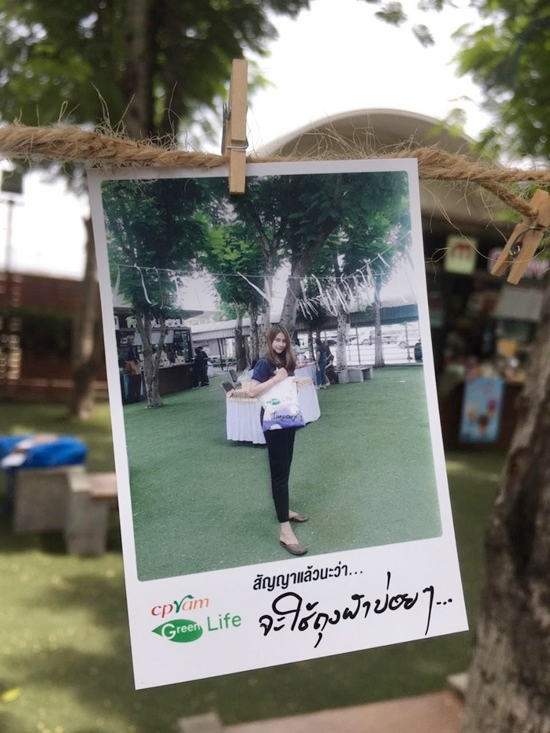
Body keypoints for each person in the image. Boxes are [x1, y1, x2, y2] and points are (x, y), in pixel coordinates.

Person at [248, 325, 309, 556]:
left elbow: (286, 388)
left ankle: (284, 510)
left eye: (284, 341)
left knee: (285, 468)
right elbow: (252, 391)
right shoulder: (264, 363)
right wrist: (277, 379)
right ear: (270, 341)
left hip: (287, 418)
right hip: (273, 422)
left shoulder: (286, 361)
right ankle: (285, 530)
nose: (281, 344)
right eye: (277, 340)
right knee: (279, 473)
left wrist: (297, 382)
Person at [118, 334, 142, 403]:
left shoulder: (134, 347)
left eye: (132, 339)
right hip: (131, 366)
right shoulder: (124, 348)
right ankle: (132, 397)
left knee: (137, 381)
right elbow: (123, 358)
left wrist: (138, 361)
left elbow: (136, 356)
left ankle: (137, 397)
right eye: (130, 339)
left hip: (135, 366)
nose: (132, 341)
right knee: (132, 382)